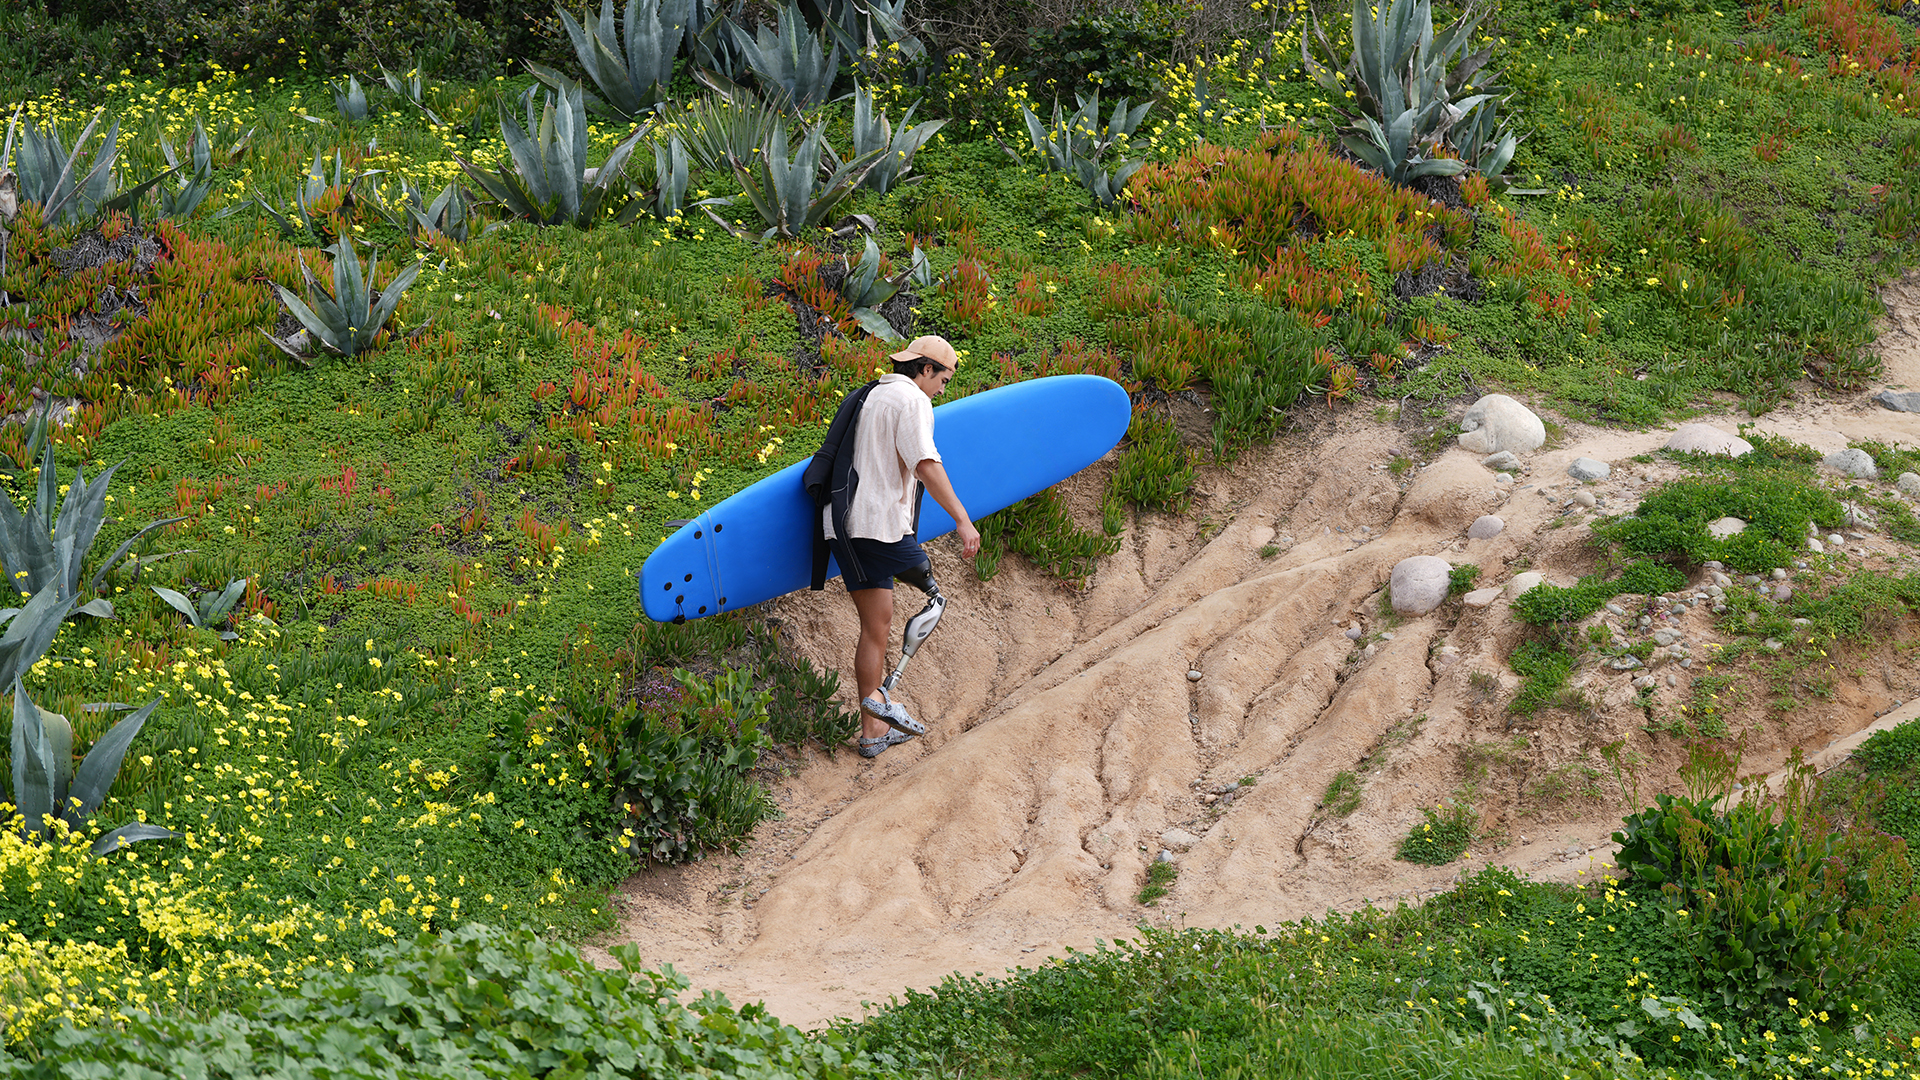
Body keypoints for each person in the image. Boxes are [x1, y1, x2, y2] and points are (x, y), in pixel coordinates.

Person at [811, 335, 979, 758]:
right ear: (925, 369)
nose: (943, 389)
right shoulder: (911, 400)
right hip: (879, 525)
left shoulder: (873, 394)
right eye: (944, 378)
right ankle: (884, 698)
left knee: (877, 626)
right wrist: (962, 520)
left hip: (844, 524)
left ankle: (872, 733)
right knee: (935, 600)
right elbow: (925, 463)